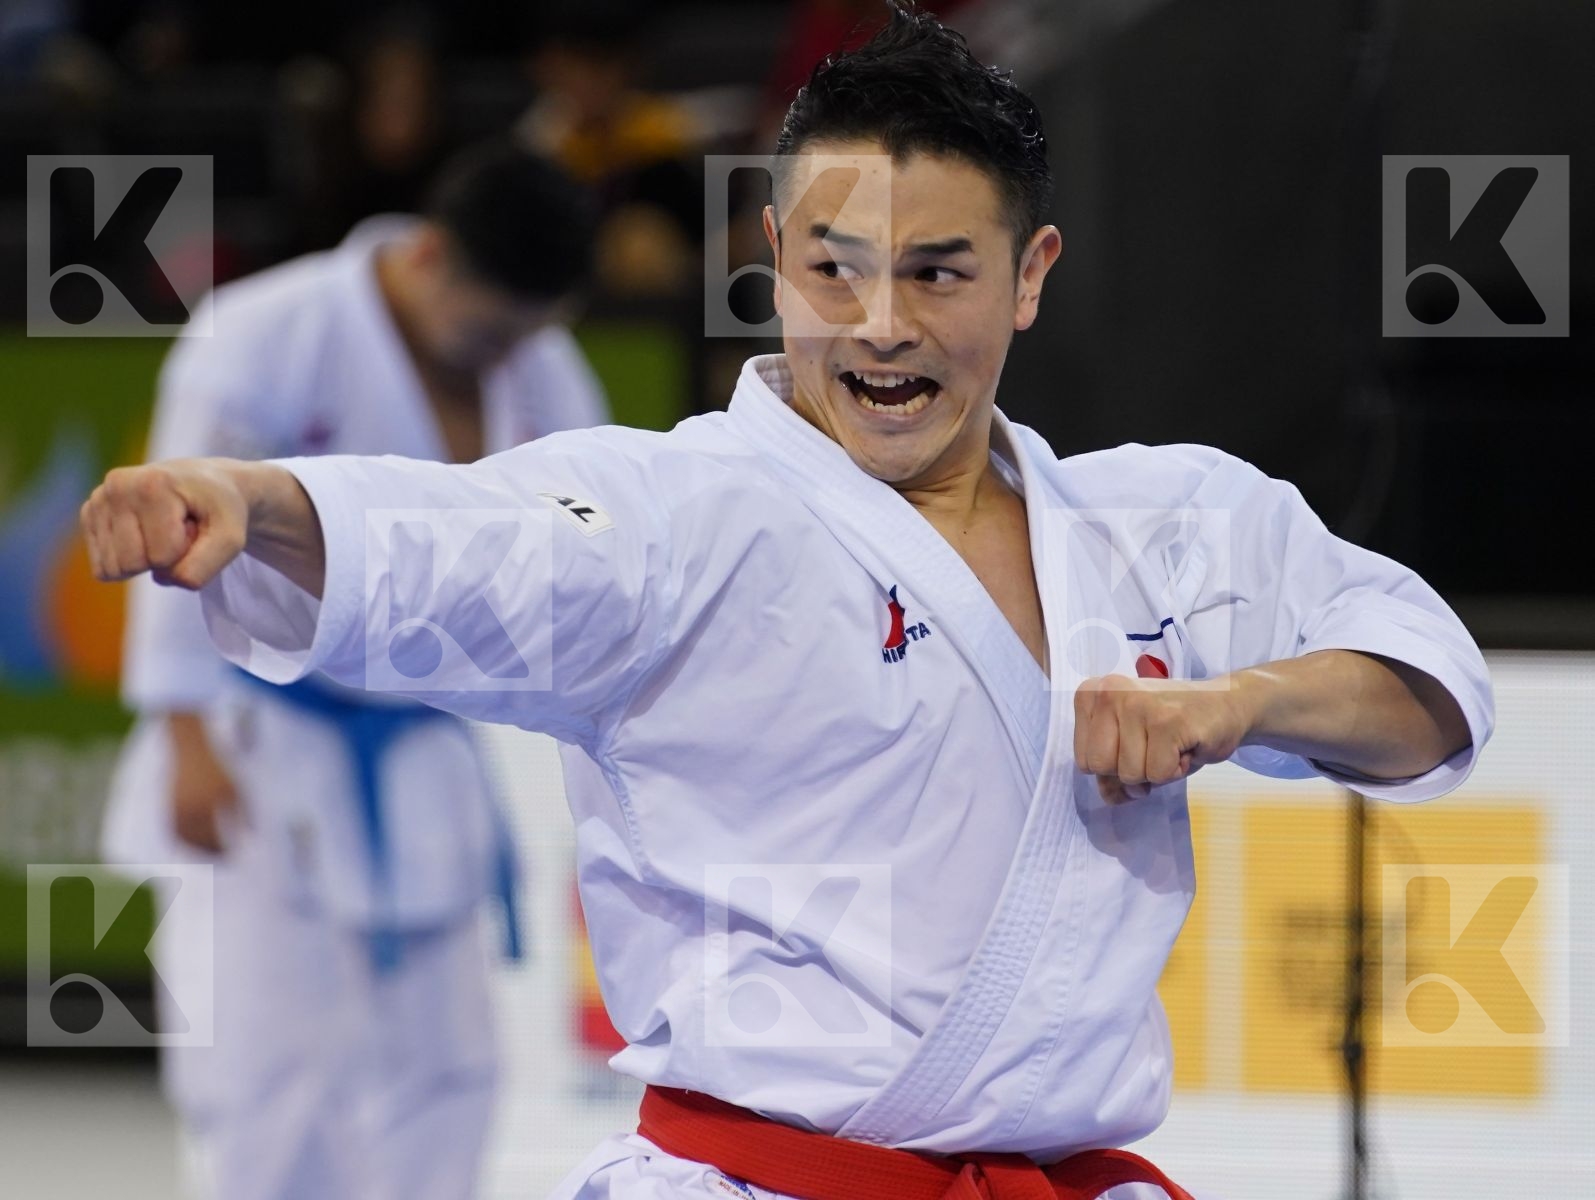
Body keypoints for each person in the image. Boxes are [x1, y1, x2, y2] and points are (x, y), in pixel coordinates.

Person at [82, 7, 1492, 1199]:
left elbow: (1421, 695)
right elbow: (464, 535)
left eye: (937, 272)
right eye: (834, 269)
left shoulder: (1166, 524)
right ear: (771, 253)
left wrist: (1240, 703)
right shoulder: (681, 517)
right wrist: (264, 503)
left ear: (1029, 278)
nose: (878, 324)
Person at [98, 142, 607, 1200]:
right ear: (428, 255)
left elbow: (600, 536)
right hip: (253, 734)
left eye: (523, 330)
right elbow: (176, 542)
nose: (499, 352)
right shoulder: (260, 335)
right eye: (485, 324)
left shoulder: (536, 363)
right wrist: (185, 738)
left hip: (419, 741)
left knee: (449, 1061)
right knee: (268, 1066)